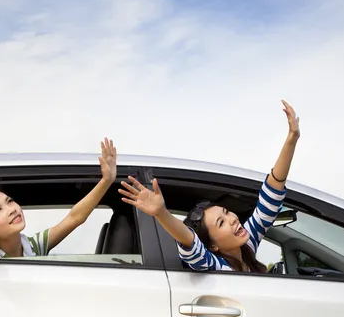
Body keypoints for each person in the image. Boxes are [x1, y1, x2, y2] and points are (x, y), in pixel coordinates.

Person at [119, 100, 300, 273]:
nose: (232, 220)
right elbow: (188, 240)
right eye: (221, 223)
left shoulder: (248, 245)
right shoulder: (213, 265)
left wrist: (292, 138)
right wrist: (161, 213)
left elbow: (271, 195)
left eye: (227, 212)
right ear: (213, 246)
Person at [0, 138, 118, 259]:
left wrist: (107, 180)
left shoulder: (33, 246)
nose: (11, 209)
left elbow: (74, 218)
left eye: (9, 201)